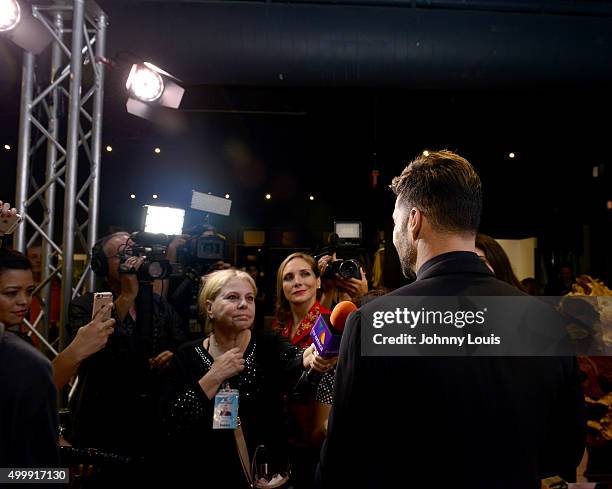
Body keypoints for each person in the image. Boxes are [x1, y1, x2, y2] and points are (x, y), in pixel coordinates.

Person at [317, 150, 586, 488]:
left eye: (397, 222)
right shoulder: (546, 320)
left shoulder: (374, 322)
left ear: (414, 221)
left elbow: (342, 463)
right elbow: (565, 453)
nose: (397, 235)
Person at [159, 269, 328, 487]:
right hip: (203, 474)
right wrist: (215, 376)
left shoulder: (269, 345)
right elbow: (172, 418)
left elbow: (295, 359)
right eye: (232, 297)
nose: (244, 304)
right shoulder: (186, 355)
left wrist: (310, 355)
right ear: (209, 308)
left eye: (249, 298)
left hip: (262, 476)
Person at [66, 232, 187, 466]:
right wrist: (127, 295)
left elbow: (182, 342)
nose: (132, 258)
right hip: (102, 418)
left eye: (134, 251)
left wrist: (173, 355)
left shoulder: (156, 303)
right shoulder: (84, 306)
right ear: (102, 266)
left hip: (151, 418)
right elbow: (94, 354)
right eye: (122, 254)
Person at [272, 253, 338, 488]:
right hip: (279, 434)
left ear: (318, 282)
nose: (297, 281)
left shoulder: (331, 323)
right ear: (282, 287)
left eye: (305, 274)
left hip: (314, 436)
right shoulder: (278, 326)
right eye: (289, 277)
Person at [0, 246, 59, 469]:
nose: (24, 301)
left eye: (29, 291)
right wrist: (59, 476)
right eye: (11, 293)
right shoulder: (24, 360)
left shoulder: (22, 349)